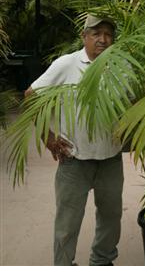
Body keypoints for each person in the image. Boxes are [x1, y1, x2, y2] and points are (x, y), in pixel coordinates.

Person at [25, 14, 123, 266]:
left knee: (111, 217)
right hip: (74, 160)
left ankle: (102, 260)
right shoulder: (66, 64)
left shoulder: (121, 66)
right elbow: (31, 95)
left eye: (108, 34)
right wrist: (47, 137)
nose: (103, 39)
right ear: (84, 36)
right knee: (67, 223)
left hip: (110, 158)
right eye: (96, 33)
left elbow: (132, 101)